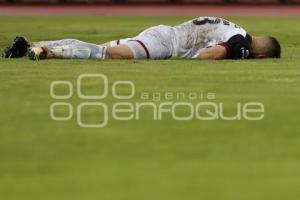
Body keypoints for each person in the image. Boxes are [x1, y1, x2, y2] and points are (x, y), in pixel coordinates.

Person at [3, 16, 281, 60]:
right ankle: (49, 53)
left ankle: (31, 45)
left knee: (101, 48)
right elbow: (212, 55)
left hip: (161, 34)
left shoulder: (235, 27)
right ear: (261, 55)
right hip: (163, 44)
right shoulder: (241, 42)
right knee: (106, 55)